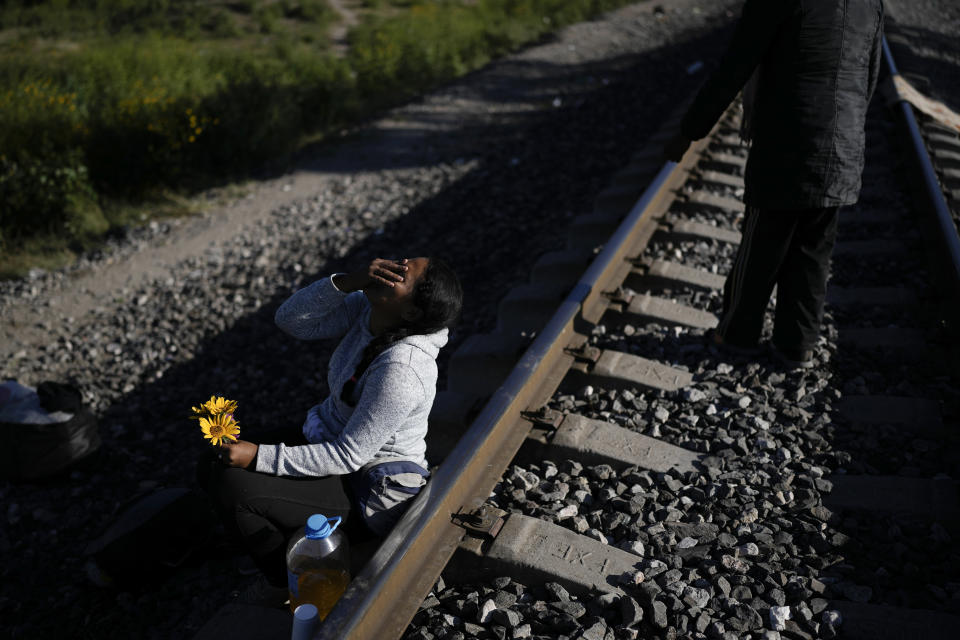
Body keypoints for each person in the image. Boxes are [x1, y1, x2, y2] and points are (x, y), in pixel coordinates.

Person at [197, 256, 462, 606]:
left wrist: (259, 456)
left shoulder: (403, 372)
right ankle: (265, 534)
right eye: (399, 261)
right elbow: (292, 321)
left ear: (411, 313)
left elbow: (348, 455)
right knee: (212, 460)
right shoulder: (373, 313)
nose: (390, 267)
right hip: (329, 440)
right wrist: (346, 282)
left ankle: (285, 582)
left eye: (401, 274)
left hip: (369, 488)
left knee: (234, 484)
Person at [665, 0, 885, 368]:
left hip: (787, 143)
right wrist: (845, 130)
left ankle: (736, 335)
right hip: (841, 148)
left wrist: (690, 130)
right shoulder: (870, 3)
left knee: (762, 247)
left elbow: (734, 67)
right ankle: (795, 345)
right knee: (813, 252)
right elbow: (870, 76)